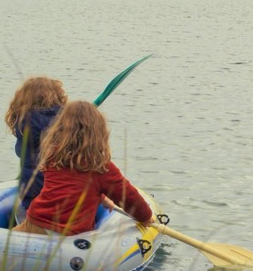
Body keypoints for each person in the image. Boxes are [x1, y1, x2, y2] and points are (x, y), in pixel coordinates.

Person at [14, 100, 153, 235]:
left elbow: (70, 186)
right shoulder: (100, 166)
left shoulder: (53, 157)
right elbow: (128, 196)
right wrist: (146, 217)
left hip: (35, 222)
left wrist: (102, 197)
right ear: (98, 133)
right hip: (66, 233)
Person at [4, 76, 67, 222]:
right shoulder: (65, 124)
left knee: (19, 209)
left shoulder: (22, 124)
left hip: (33, 199)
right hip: (64, 202)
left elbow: (20, 151)